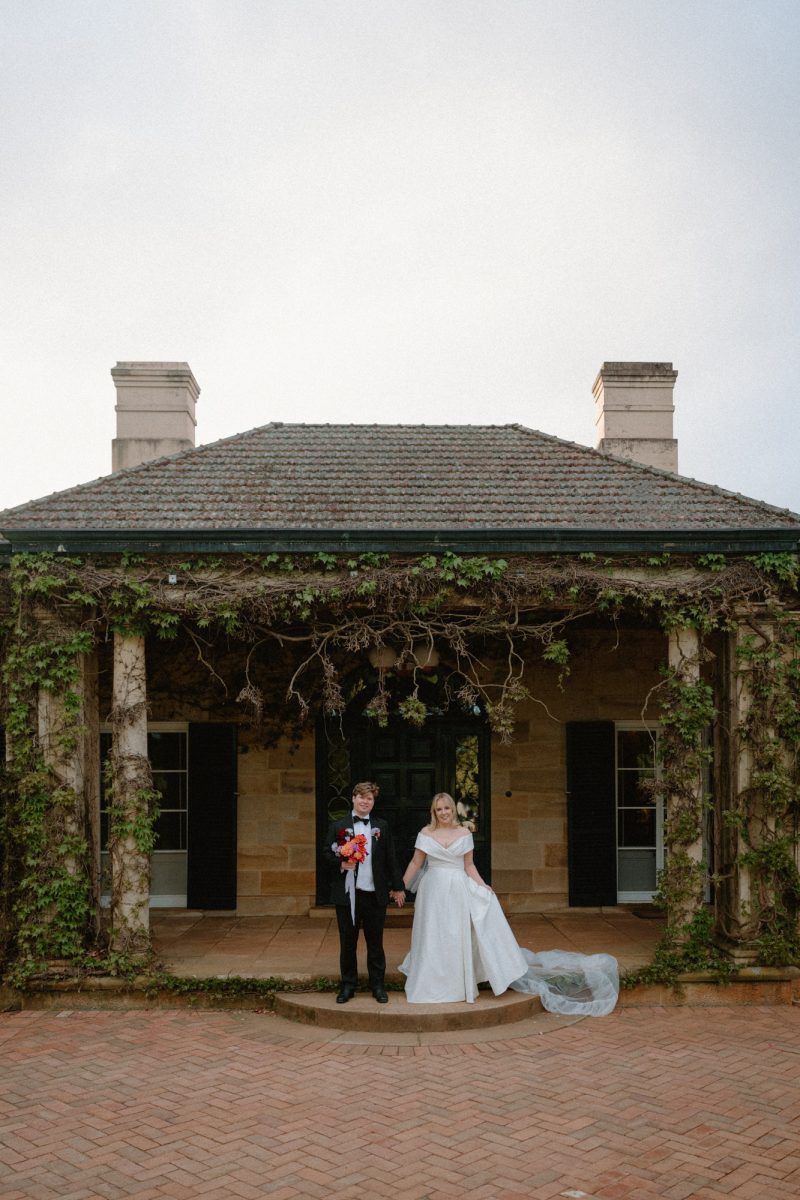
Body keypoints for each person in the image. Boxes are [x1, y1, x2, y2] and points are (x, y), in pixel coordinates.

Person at [398, 792, 618, 1016]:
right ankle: (430, 981)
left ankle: (457, 985)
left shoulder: (464, 833)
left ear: (453, 810)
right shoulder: (426, 833)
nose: (443, 813)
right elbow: (416, 862)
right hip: (433, 890)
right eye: (439, 809)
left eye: (447, 808)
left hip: (457, 889)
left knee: (455, 934)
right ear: (433, 812)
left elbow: (469, 866)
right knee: (433, 934)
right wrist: (400, 887)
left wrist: (484, 886)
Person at [324, 781, 406, 1004]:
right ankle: (348, 986)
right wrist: (341, 864)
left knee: (375, 943)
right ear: (353, 798)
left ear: (373, 801)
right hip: (348, 895)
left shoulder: (382, 827)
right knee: (347, 943)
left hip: (375, 894)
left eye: (369, 798)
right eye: (361, 797)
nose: (364, 801)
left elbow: (391, 858)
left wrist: (398, 887)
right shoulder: (338, 826)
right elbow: (325, 854)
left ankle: (377, 985)